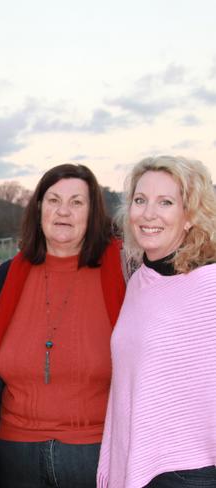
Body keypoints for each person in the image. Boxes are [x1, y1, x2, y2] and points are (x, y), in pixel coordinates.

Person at [0, 164, 126, 487]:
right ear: (39, 209)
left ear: (93, 213)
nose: (63, 211)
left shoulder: (121, 271)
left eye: (77, 202)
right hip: (17, 450)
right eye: (53, 200)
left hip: (94, 450)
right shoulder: (7, 278)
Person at [97, 156, 216, 488]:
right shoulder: (141, 281)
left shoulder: (209, 286)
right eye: (140, 200)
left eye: (165, 202)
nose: (148, 214)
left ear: (190, 215)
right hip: (141, 464)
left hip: (191, 470)